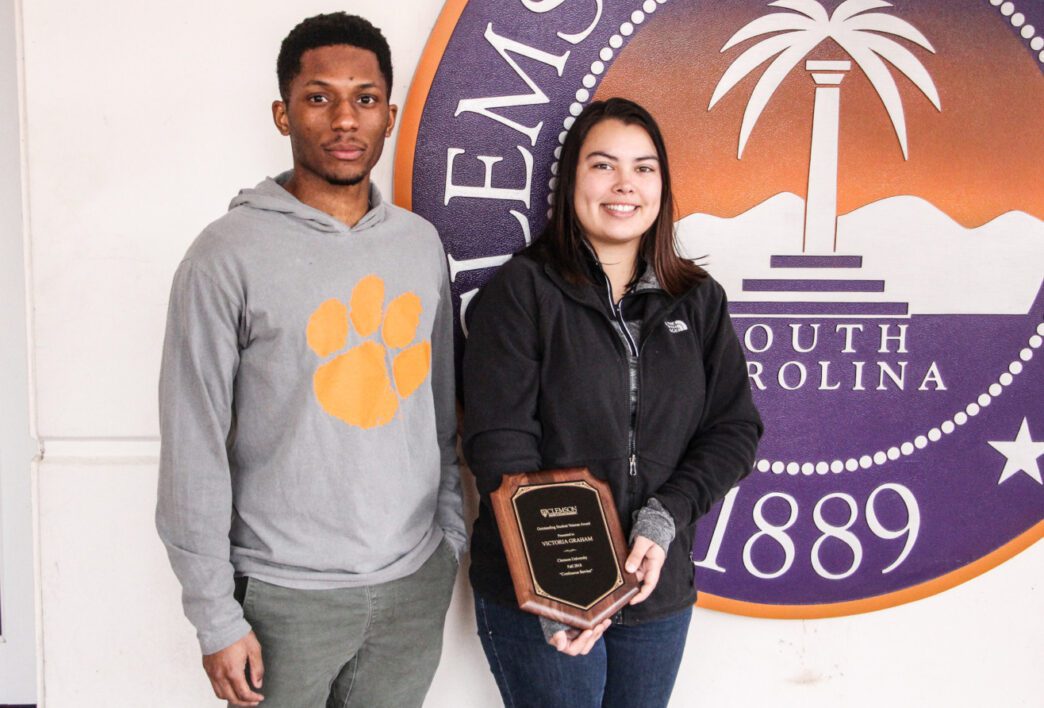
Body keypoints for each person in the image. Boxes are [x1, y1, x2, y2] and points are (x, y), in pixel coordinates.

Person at [156, 13, 465, 707]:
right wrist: (215, 614)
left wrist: (447, 542)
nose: (345, 119)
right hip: (282, 598)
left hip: (411, 585)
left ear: (389, 113)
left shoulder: (419, 246)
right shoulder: (224, 255)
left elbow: (441, 414)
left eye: (365, 98)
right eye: (319, 97)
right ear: (282, 112)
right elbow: (193, 444)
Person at [461, 97, 763, 708]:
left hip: (656, 586)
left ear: (663, 186)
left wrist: (666, 514)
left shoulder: (699, 301)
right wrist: (556, 581)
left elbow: (733, 429)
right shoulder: (523, 292)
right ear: (572, 180)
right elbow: (499, 443)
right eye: (603, 166)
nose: (625, 184)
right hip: (539, 592)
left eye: (644, 168)